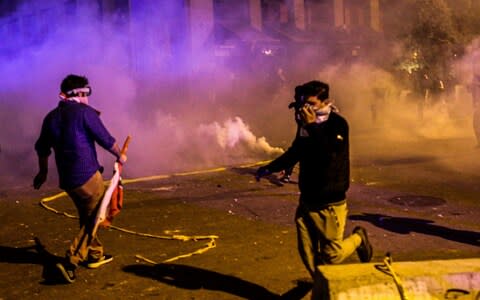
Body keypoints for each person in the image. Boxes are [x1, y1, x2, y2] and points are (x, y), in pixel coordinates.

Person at [255, 80, 372, 279]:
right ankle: (321, 289)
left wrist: (311, 127)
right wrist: (269, 168)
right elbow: (296, 151)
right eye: (302, 105)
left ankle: (358, 239)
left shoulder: (337, 124)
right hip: (307, 199)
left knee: (331, 255)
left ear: (325, 101)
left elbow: (328, 155)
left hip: (329, 202)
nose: (305, 110)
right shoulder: (305, 125)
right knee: (308, 254)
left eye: (310, 104)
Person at [33, 74, 127, 283]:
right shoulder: (85, 113)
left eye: (87, 93)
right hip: (87, 177)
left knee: (87, 216)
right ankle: (71, 262)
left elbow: (42, 148)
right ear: (74, 94)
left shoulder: (51, 117)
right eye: (84, 93)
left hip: (68, 181)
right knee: (94, 219)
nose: (87, 98)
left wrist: (43, 172)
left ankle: (96, 255)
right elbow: (105, 139)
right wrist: (120, 155)